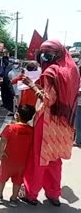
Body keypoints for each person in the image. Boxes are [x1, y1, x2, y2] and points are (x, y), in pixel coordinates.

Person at [21, 40, 80, 206]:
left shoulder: (52, 71)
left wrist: (32, 85)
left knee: (40, 158)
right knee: (55, 159)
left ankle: (31, 194)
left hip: (47, 121)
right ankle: (54, 194)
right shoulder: (73, 69)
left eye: (46, 53)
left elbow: (48, 100)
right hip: (65, 123)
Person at [0, 105, 36, 207]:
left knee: (2, 178)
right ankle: (14, 199)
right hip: (22, 161)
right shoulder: (31, 130)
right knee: (17, 181)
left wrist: (1, 152)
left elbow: (3, 140)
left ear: (17, 116)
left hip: (8, 159)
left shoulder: (10, 128)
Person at [70, 50, 81, 147]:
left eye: (76, 56)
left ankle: (78, 140)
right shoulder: (69, 68)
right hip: (72, 99)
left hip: (78, 99)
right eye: (73, 56)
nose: (75, 58)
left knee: (77, 121)